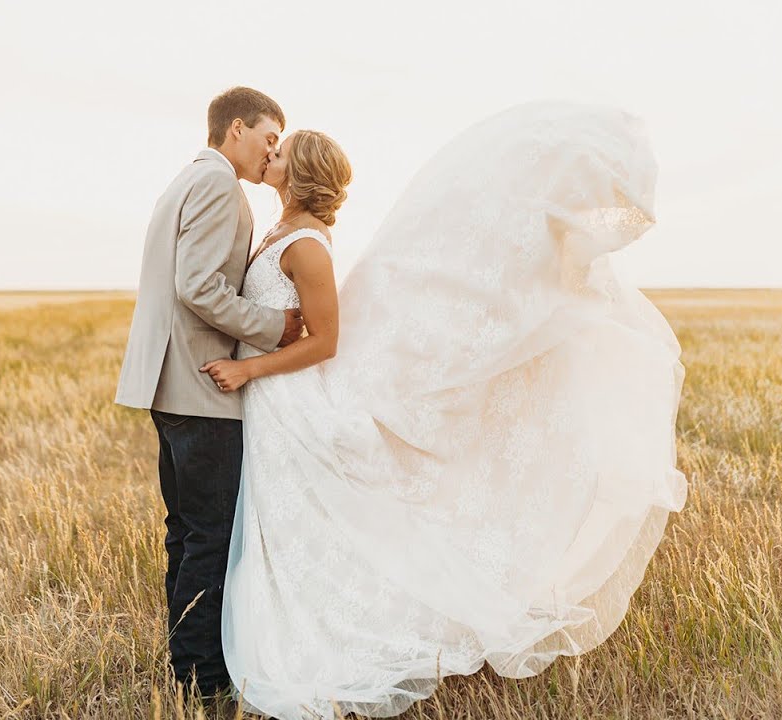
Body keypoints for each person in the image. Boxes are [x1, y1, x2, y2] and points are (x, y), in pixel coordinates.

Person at [204, 102, 687, 719]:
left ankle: (338, 641)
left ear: (299, 173)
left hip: (286, 397)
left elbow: (324, 342)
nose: (270, 153)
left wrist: (247, 368)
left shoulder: (308, 247)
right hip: (274, 403)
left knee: (303, 529)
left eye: (282, 149)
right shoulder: (275, 229)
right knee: (283, 530)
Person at [114, 86, 305, 697]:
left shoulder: (184, 179)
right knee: (212, 535)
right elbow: (197, 286)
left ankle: (185, 662)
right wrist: (274, 327)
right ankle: (202, 676)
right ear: (237, 129)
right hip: (201, 385)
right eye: (270, 138)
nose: (272, 151)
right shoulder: (219, 184)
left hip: (167, 384)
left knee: (187, 531)